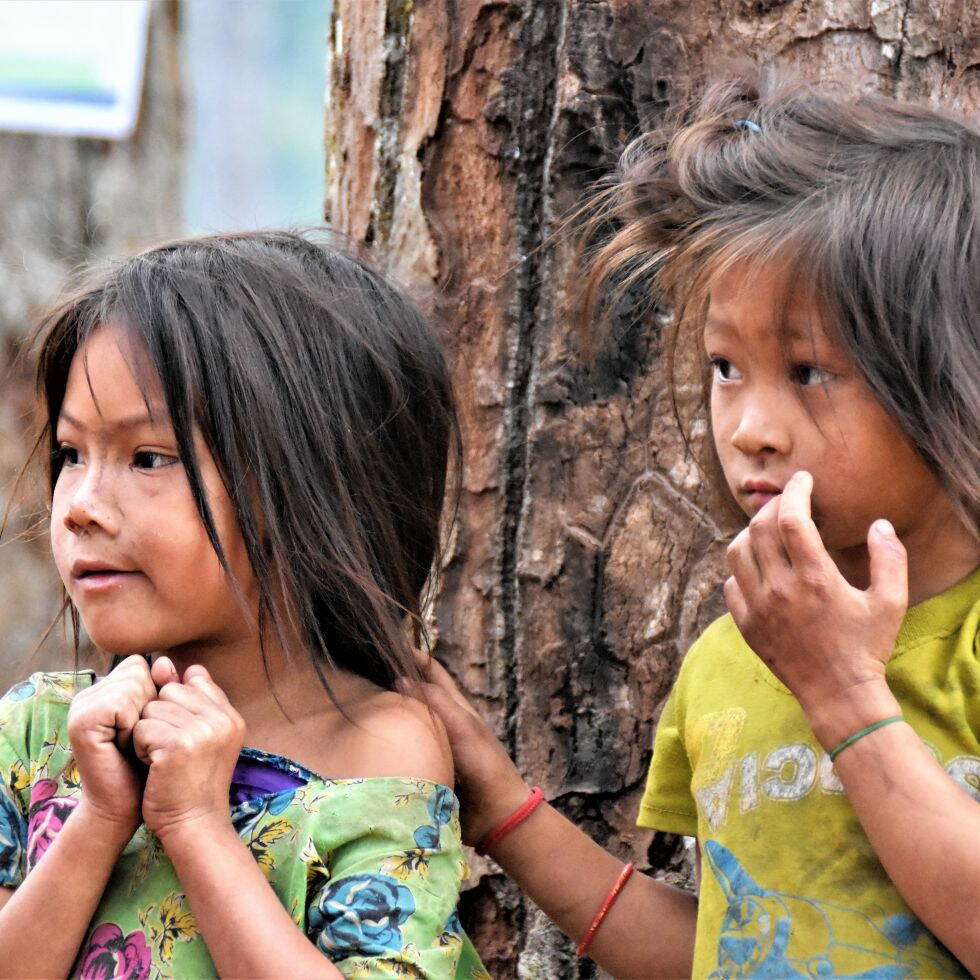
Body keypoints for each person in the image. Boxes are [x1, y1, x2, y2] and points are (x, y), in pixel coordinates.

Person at [413, 78, 980, 978]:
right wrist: (505, 812)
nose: (749, 426)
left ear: (954, 377)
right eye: (725, 366)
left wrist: (843, 694)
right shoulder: (732, 659)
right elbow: (726, 948)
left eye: (810, 370)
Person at [0, 231, 488, 979]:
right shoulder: (42, 734)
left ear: (312, 486)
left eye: (148, 458)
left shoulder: (372, 755)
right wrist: (98, 821)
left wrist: (195, 823)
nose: (80, 507)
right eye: (71, 454)